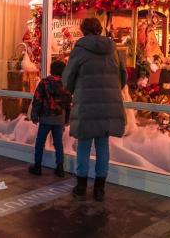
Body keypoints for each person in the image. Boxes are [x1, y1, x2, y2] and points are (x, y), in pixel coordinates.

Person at [63, 17, 127, 201]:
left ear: (83, 30)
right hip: (108, 104)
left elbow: (67, 80)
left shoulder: (80, 50)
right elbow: (123, 76)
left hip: (86, 104)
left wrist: (76, 89)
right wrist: (111, 90)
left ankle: (81, 187)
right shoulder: (113, 49)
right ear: (99, 29)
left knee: (83, 144)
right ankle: (100, 189)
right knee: (102, 144)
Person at [28, 60, 72, 177]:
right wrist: (67, 119)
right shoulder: (65, 84)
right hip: (59, 118)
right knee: (58, 143)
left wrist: (34, 115)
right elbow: (68, 104)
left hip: (46, 117)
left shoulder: (44, 83)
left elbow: (37, 100)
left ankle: (37, 166)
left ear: (51, 70)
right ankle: (60, 167)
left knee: (40, 142)